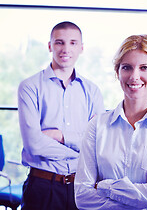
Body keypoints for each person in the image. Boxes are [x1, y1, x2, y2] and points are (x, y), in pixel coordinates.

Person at [74, 34, 147, 209]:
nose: (134, 76)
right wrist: (143, 194)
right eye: (127, 67)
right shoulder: (97, 125)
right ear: (117, 72)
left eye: (144, 68)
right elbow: (82, 197)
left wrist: (103, 186)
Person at [17, 21, 105, 210]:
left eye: (73, 43)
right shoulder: (30, 87)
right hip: (42, 186)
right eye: (59, 42)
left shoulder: (92, 91)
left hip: (81, 188)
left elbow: (98, 145)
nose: (66, 49)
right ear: (50, 46)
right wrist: (81, 149)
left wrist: (60, 136)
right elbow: (34, 145)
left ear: (81, 48)